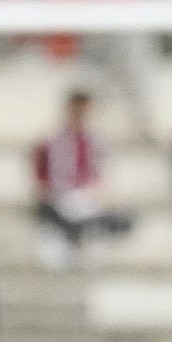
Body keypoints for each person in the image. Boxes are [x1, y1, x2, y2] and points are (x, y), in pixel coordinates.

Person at [31, 90, 132, 267]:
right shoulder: (51, 140)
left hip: (88, 200)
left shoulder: (97, 141)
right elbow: (41, 174)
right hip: (58, 200)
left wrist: (91, 193)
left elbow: (101, 176)